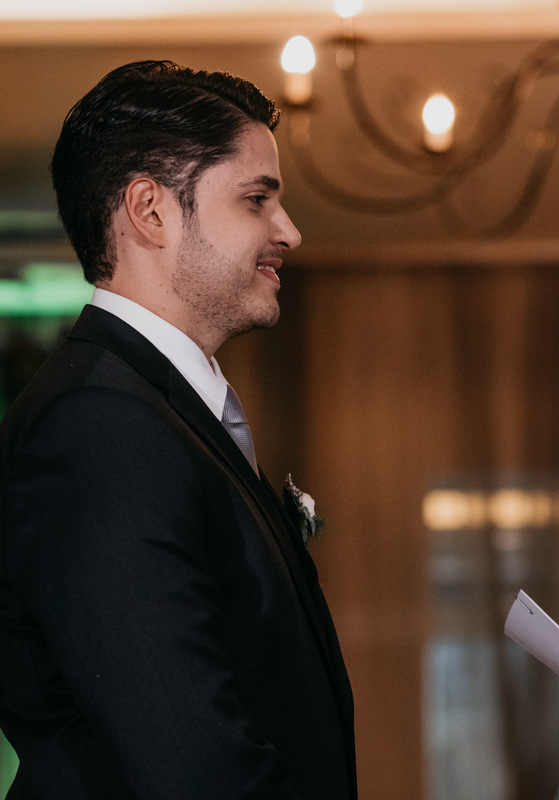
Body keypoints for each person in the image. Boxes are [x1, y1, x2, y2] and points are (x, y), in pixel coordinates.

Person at [0, 61, 356, 798]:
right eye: (257, 199)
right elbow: (194, 766)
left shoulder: (157, 412)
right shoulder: (99, 429)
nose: (287, 230)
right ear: (151, 211)